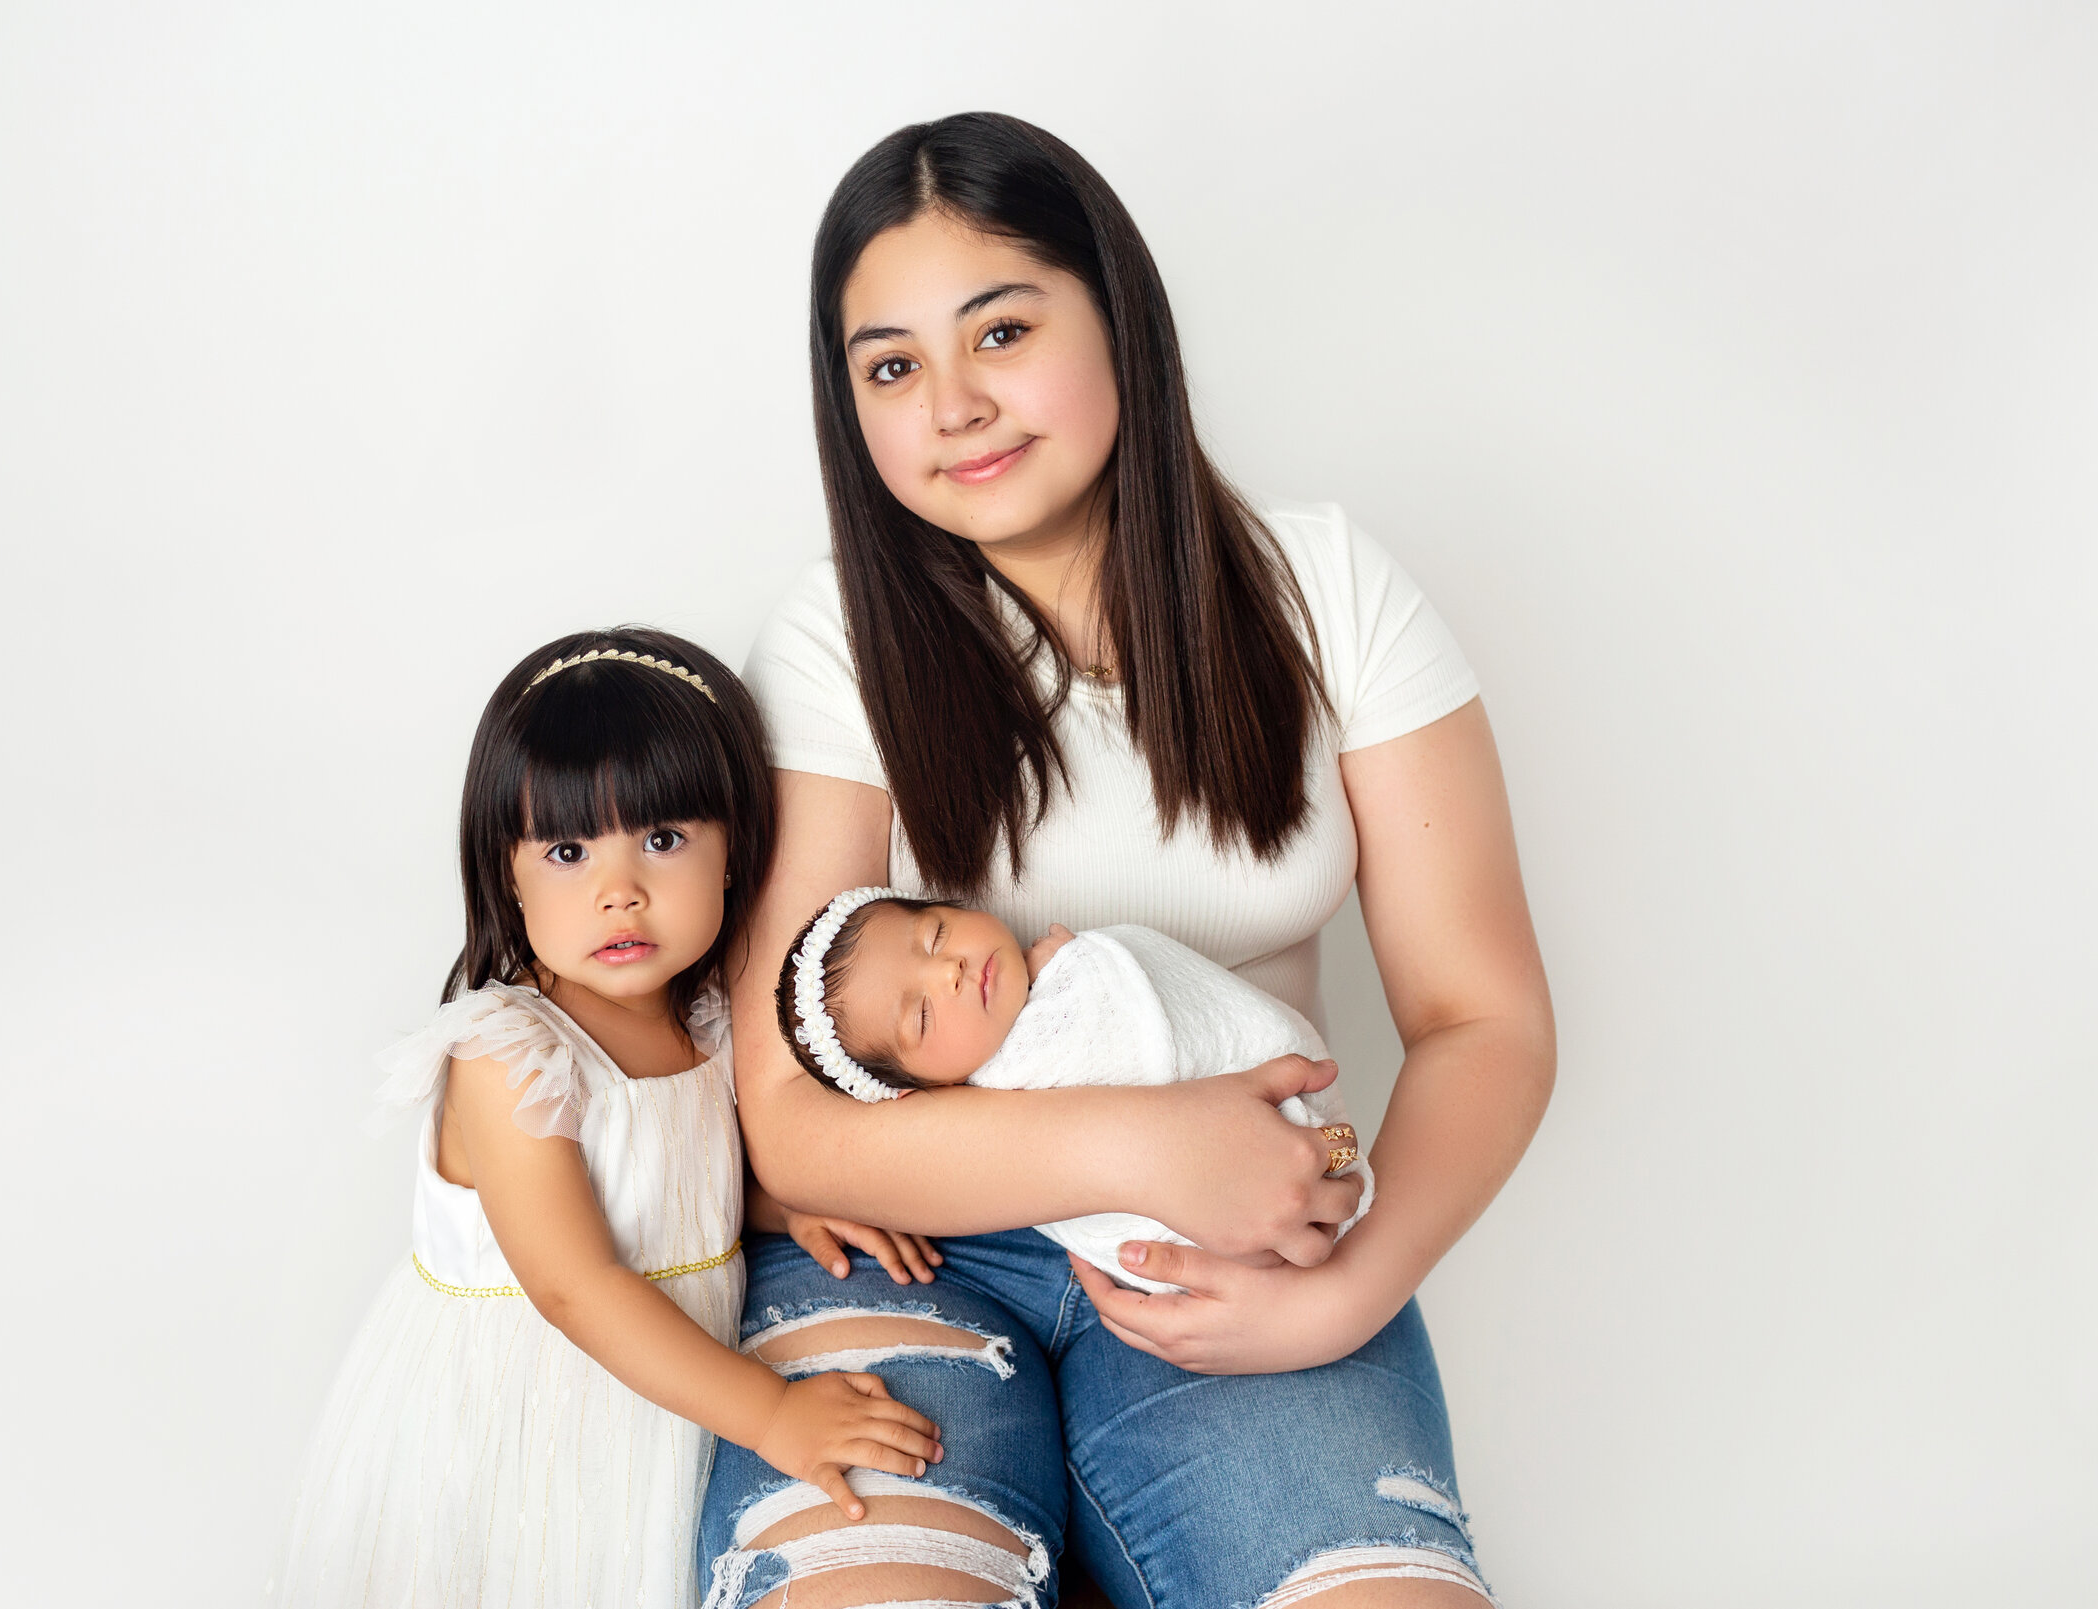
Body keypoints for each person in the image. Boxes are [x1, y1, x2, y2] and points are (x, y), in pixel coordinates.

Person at [699, 114, 1555, 1609]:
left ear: (1119, 313)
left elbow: (1484, 1016)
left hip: (1244, 1250)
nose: (954, 405)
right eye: (891, 367)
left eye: (1003, 330)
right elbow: (789, 1121)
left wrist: (1347, 1290)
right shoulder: (836, 640)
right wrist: (1138, 1143)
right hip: (910, 1254)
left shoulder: (1330, 590)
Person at [273, 628, 944, 1609]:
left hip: (654, 1410)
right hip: (518, 1419)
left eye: (663, 840)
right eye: (568, 848)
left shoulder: (710, 1023)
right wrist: (772, 1414)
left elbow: (675, 1175)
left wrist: (780, 1205)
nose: (618, 887)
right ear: (508, 872)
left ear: (731, 856)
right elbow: (575, 1285)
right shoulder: (511, 1055)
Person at [772, 887, 1374, 1293]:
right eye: (922, 1017)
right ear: (917, 1091)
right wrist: (1074, 982)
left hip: (1295, 1123)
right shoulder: (1000, 1092)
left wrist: (1068, 973)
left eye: (934, 936)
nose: (948, 970)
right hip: (1196, 1248)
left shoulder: (1057, 973)